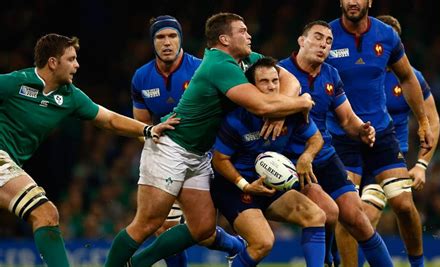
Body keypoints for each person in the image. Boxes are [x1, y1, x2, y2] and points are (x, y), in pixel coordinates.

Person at [105, 12, 314, 267]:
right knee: (147, 224)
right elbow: (261, 106)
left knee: (202, 228)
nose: (249, 35)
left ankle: (138, 263)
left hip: (199, 153)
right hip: (171, 147)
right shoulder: (218, 65)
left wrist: (283, 112)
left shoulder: (247, 60)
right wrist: (299, 102)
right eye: (243, 31)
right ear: (225, 39)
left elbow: (288, 78)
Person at [0, 33, 179, 267]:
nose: (77, 65)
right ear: (53, 63)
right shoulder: (16, 83)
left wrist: (148, 130)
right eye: (71, 59)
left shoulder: (70, 96)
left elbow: (110, 120)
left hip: (11, 162)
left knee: (45, 214)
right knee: (45, 212)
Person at [325, 1, 435, 267]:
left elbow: (407, 77)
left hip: (382, 135)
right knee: (350, 214)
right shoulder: (326, 35)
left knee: (404, 206)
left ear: (369, 2)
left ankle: (417, 265)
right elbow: (306, 74)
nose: (353, 2)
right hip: (342, 138)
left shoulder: (386, 35)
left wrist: (423, 122)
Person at [279, 20, 393, 266]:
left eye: (329, 41)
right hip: (291, 160)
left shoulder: (331, 74)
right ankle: (330, 258)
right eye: (318, 37)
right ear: (301, 40)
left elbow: (348, 119)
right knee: (326, 212)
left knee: (357, 218)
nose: (323, 45)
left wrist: (362, 129)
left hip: (324, 156)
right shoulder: (279, 73)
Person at [211, 56, 328, 267]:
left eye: (275, 80)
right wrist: (244, 184)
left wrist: (306, 156)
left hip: (270, 185)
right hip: (236, 188)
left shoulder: (291, 111)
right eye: (264, 82)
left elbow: (316, 138)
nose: (272, 86)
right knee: (263, 243)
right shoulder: (237, 119)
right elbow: (219, 160)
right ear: (252, 87)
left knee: (316, 215)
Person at [356, 14, 440, 267]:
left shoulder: (411, 77)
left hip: (391, 153)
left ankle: (417, 264)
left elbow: (433, 120)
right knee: (355, 217)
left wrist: (422, 165)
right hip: (354, 152)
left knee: (399, 207)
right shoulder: (357, 70)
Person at [130, 15, 202, 267]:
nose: (167, 42)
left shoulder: (199, 69)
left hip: (202, 157)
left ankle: (235, 247)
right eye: (160, 37)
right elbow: (142, 128)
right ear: (153, 42)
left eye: (172, 36)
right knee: (165, 228)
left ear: (181, 39)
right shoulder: (141, 77)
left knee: (202, 229)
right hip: (165, 159)